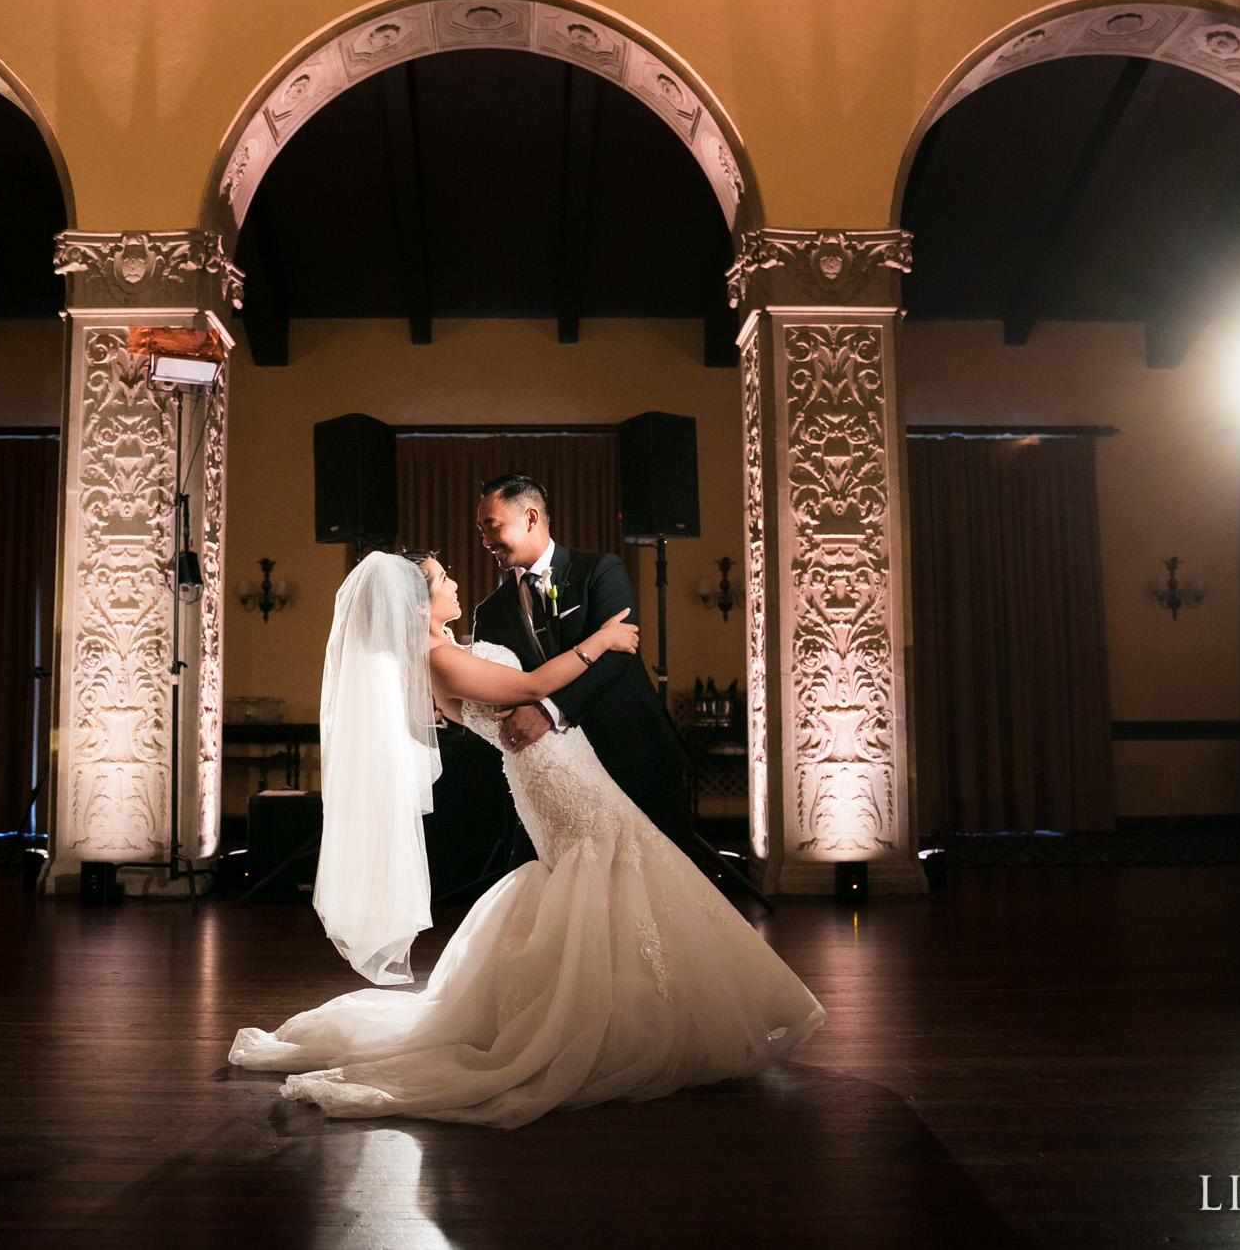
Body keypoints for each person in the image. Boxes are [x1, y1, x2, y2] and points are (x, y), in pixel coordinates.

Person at [229, 551, 823, 1130]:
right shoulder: (439, 659)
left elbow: (513, 698)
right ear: (417, 605)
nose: (456, 582)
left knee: (616, 873)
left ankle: (637, 1012)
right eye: (442, 579)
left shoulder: (443, 654)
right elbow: (534, 683)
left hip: (556, 767)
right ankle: (618, 1025)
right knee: (606, 869)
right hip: (554, 775)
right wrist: (602, 643)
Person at [470, 473, 691, 850]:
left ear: (531, 519)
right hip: (562, 777)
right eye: (481, 531)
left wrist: (549, 710)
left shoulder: (600, 570)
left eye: (493, 527)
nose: (487, 541)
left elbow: (620, 656)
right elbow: (493, 683)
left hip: (635, 752)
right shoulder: (490, 613)